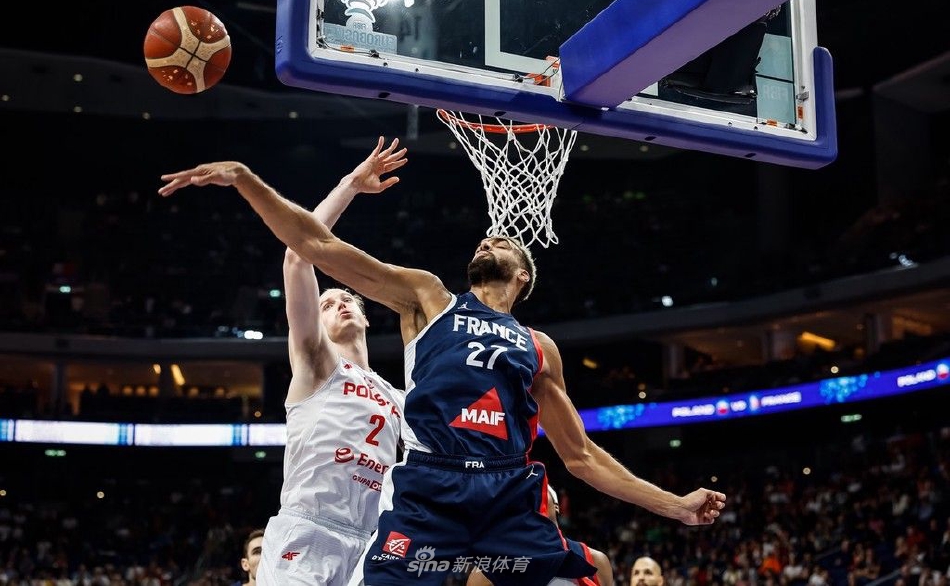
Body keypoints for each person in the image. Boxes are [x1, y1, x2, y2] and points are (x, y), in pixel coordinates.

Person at [158, 136, 727, 586]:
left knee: (592, 568)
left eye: (500, 243)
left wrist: (675, 506)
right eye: (483, 240)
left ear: (522, 275)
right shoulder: (429, 298)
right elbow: (315, 247)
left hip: (507, 490)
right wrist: (246, 180)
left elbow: (580, 456)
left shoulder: (538, 346)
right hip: (429, 489)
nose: (487, 240)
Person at [250, 140, 407, 585]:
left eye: (347, 299)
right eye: (327, 302)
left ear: (365, 317)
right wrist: (350, 185)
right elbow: (298, 254)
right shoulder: (317, 364)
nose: (339, 303)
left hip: (371, 541)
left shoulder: (398, 397)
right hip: (309, 530)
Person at [467, 485, 614, 586]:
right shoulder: (486, 573)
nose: (532, 499)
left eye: (538, 489)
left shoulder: (596, 560)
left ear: (556, 506)